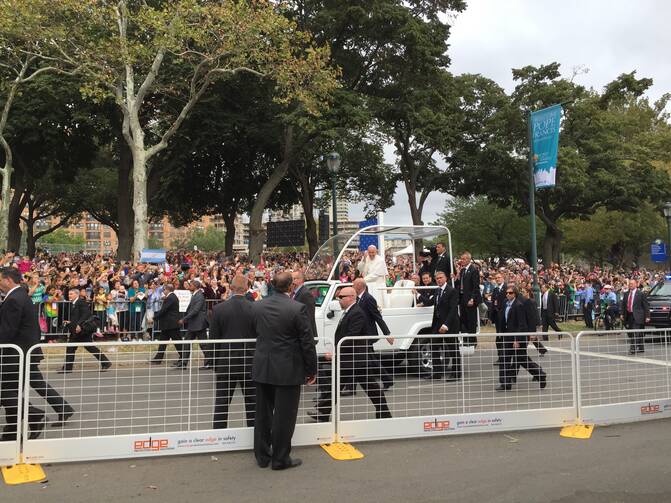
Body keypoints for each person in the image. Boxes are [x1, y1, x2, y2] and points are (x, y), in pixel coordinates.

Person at [251, 272, 317, 470]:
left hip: (263, 365)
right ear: (290, 287)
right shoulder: (297, 309)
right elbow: (307, 342)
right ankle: (280, 458)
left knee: (262, 413)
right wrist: (311, 369)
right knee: (284, 416)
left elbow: (255, 331)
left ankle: (262, 456)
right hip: (288, 368)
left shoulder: (258, 306)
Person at [310, 286, 391, 422]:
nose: (339, 300)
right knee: (338, 386)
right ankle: (323, 412)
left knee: (370, 387)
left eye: (341, 297)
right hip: (351, 359)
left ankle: (384, 412)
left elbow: (351, 336)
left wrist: (336, 352)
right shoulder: (351, 311)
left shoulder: (357, 313)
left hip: (354, 359)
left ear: (351, 297)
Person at [0, 268, 48, 440]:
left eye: (0, 279)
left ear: (8, 280)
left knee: (5, 393)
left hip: (16, 354)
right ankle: (12, 433)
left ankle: (34, 415)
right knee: (10, 392)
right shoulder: (20, 295)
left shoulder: (14, 299)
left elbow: (7, 331)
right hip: (21, 353)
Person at [211, 275, 256, 429]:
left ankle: (218, 436)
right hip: (249, 362)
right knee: (252, 403)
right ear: (246, 288)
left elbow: (214, 341)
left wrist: (215, 363)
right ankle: (253, 435)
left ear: (230, 287)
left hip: (225, 362)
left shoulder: (218, 309)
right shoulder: (255, 308)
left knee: (222, 403)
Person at [352, 278, 394, 390]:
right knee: (367, 360)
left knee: (370, 360)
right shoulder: (358, 298)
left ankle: (386, 380)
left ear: (360, 286)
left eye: (354, 285)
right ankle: (384, 380)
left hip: (367, 334)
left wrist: (387, 334)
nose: (352, 286)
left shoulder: (368, 299)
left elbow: (377, 317)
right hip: (360, 335)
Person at [59, 288, 112, 373]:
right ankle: (67, 368)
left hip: (82, 330)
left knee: (89, 347)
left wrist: (79, 325)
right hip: (76, 331)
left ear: (77, 294)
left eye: (71, 294)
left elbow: (86, 314)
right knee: (71, 348)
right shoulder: (74, 303)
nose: (69, 296)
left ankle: (105, 362)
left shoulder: (81, 302)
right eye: (69, 294)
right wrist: (70, 322)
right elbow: (77, 316)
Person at [426, 271, 460, 381]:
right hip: (437, 324)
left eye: (441, 277)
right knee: (434, 347)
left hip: (449, 324)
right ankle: (437, 373)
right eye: (437, 278)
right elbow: (431, 302)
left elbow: (453, 309)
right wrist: (417, 295)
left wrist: (446, 325)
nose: (439, 280)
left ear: (446, 278)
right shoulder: (437, 291)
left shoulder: (452, 291)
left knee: (453, 349)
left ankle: (456, 373)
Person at [178, 279, 213, 370]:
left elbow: (195, 310)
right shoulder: (195, 295)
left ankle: (209, 363)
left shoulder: (199, 296)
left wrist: (184, 319)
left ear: (195, 286)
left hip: (199, 324)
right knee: (187, 342)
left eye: (191, 285)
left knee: (203, 344)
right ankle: (183, 363)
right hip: (193, 324)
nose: (189, 286)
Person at [150, 284, 182, 364]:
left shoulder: (170, 298)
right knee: (163, 342)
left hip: (171, 325)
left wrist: (154, 318)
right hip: (168, 325)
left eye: (164, 290)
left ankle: (183, 358)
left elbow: (163, 310)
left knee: (178, 342)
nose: (163, 291)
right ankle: (158, 359)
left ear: (167, 290)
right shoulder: (171, 297)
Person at [455, 251, 481, 346]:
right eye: (461, 259)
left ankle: (472, 341)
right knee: (464, 320)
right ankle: (466, 340)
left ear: (469, 259)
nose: (462, 260)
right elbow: (459, 284)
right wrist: (456, 278)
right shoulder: (462, 270)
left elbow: (476, 286)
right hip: (462, 298)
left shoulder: (473, 270)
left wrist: (473, 299)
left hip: (470, 299)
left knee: (471, 320)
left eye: (464, 259)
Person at [621, 279, 650, 354]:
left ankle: (632, 348)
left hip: (638, 315)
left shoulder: (641, 294)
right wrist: (622, 314)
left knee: (635, 332)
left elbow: (646, 306)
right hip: (629, 315)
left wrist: (647, 316)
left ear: (636, 284)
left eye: (632, 284)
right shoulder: (626, 294)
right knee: (633, 332)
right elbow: (623, 305)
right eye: (629, 284)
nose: (630, 285)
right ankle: (641, 347)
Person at [291, 271, 318, 341]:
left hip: (304, 336)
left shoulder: (305, 294)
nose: (291, 282)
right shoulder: (293, 293)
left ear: (300, 280)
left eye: (293, 279)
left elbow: (308, 316)